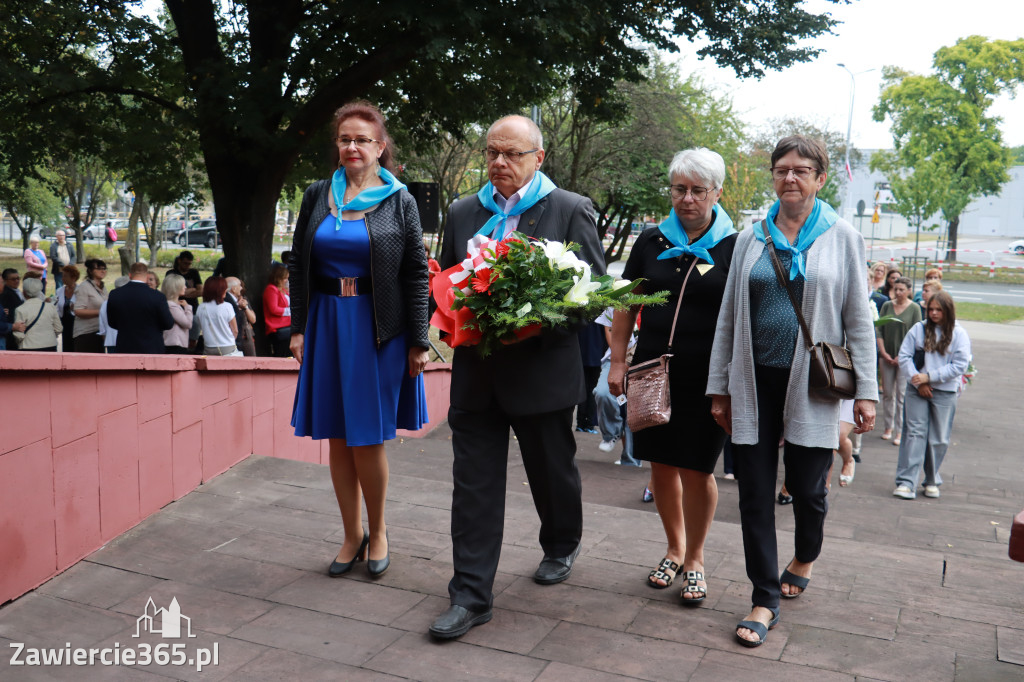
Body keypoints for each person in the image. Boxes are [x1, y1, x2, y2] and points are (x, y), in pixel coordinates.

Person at [429, 114, 604, 640]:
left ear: (538, 158)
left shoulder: (571, 210)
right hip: (477, 377)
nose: (500, 163)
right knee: (474, 486)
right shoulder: (463, 212)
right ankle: (470, 596)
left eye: (512, 154)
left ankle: (561, 541)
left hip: (543, 374)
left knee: (551, 473)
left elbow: (592, 297)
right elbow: (445, 284)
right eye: (492, 153)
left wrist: (531, 323)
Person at [707, 135, 877, 647]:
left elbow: (858, 321)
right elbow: (728, 319)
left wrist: (865, 391)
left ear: (820, 178)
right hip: (753, 381)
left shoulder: (841, 236)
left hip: (814, 384)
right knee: (754, 494)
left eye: (801, 170)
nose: (790, 178)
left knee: (807, 490)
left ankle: (805, 555)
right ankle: (764, 597)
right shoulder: (751, 237)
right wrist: (720, 387)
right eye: (782, 169)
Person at [289, 101, 429, 586]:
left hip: (377, 329)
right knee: (337, 436)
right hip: (327, 322)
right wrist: (299, 327)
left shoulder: (400, 200)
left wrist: (418, 339)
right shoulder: (316, 195)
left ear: (380, 147)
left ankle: (380, 530)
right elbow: (297, 264)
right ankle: (351, 535)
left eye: (362, 140)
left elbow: (415, 273)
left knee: (367, 437)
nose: (352, 147)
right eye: (345, 139)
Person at [607, 147, 738, 604]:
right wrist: (619, 360)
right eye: (679, 189)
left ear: (717, 192)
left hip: (706, 379)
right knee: (660, 462)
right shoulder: (650, 241)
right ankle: (673, 549)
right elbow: (625, 303)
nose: (687, 199)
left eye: (698, 191)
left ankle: (697, 558)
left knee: (699, 467)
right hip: (650, 371)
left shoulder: (733, 246)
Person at [893, 291, 971, 500]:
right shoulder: (918, 329)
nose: (934, 313)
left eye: (939, 310)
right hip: (916, 388)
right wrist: (918, 381)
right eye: (931, 309)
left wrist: (930, 378)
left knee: (938, 438)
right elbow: (905, 356)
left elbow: (960, 365)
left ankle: (931, 479)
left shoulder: (958, 333)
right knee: (915, 434)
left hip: (944, 391)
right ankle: (906, 481)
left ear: (948, 311)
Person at [876, 276, 922, 445]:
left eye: (902, 290)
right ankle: (888, 427)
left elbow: (917, 334)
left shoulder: (915, 308)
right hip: (886, 356)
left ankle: (900, 430)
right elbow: (879, 329)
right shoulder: (887, 305)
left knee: (901, 395)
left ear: (909, 291)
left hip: (905, 359)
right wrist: (883, 352)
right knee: (888, 394)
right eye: (896, 289)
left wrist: (902, 356)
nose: (898, 292)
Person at [593, 307, 636, 466]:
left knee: (634, 407)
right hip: (615, 359)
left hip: (644, 361)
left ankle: (631, 459)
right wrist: (620, 358)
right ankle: (612, 433)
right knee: (603, 393)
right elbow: (610, 330)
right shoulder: (619, 295)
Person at [106, 262, 175, 354]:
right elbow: (168, 324)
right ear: (146, 276)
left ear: (130, 275)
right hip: (152, 348)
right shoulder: (158, 296)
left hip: (125, 347)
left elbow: (112, 322)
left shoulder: (115, 294)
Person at [195, 277, 241, 356]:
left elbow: (201, 326)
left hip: (208, 347)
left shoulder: (201, 307)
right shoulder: (227, 306)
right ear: (220, 291)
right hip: (227, 346)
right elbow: (235, 330)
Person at [12, 277, 61, 351]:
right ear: (39, 292)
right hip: (50, 345)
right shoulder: (50, 307)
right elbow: (59, 328)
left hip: (28, 346)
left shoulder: (20, 309)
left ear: (24, 292)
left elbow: (19, 334)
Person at [167, 251, 203, 350]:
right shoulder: (171, 273)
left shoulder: (194, 272)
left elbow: (201, 291)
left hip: (193, 309)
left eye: (189, 264)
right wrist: (192, 290)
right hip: (177, 308)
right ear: (179, 261)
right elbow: (169, 290)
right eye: (185, 263)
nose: (187, 266)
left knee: (193, 336)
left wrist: (185, 293)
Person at [575, 320, 606, 434]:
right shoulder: (601, 313)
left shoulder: (582, 312)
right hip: (596, 356)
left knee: (582, 389)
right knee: (592, 390)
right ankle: (589, 424)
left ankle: (580, 423)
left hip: (581, 355)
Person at [73, 259, 109, 353]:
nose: (103, 271)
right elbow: (78, 311)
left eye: (104, 268)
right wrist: (101, 312)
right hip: (86, 333)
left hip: (99, 332)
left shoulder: (103, 287)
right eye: (99, 268)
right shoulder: (84, 287)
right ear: (90, 271)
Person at [263, 264, 292, 357]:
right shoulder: (271, 289)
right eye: (285, 278)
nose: (287, 280)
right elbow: (273, 309)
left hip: (285, 324)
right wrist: (289, 311)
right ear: (278, 278)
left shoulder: (282, 289)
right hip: (276, 327)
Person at [161, 273, 193, 354]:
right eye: (183, 285)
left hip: (176, 344)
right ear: (176, 288)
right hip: (175, 345)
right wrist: (188, 308)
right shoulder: (171, 306)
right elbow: (188, 324)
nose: (185, 287)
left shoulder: (171, 305)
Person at [226, 277, 257, 356]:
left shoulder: (244, 299)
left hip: (246, 334)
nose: (241, 288)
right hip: (234, 337)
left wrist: (245, 307)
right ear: (233, 288)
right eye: (240, 286)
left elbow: (253, 319)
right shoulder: (226, 301)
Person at [98, 276, 128, 352]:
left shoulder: (105, 304)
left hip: (111, 341)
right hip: (127, 342)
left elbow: (102, 328)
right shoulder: (131, 302)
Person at [55, 265, 80, 352]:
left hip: (77, 323)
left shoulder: (81, 290)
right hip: (65, 324)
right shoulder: (59, 291)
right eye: (62, 275)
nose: (62, 278)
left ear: (73, 277)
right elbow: (57, 307)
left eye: (65, 276)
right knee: (66, 347)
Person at [1, 269, 26, 348]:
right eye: (13, 279)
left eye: (18, 278)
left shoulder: (16, 291)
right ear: (5, 281)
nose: (17, 281)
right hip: (10, 332)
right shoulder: (5, 294)